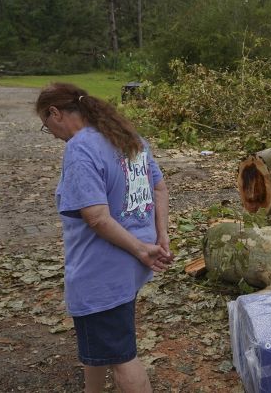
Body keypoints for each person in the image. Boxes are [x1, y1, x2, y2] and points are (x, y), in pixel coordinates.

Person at [36, 82, 173, 393]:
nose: (53, 134)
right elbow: (159, 188)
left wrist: (142, 249)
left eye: (46, 126)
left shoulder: (81, 147)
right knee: (100, 345)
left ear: (55, 113)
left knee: (123, 357)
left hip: (103, 270)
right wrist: (161, 237)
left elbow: (96, 217)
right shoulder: (129, 137)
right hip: (130, 265)